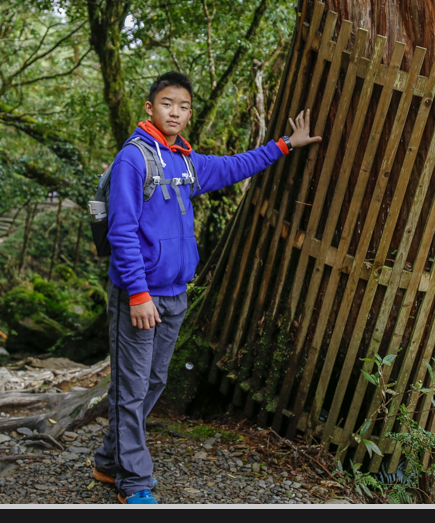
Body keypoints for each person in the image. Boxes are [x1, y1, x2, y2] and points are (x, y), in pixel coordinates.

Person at [93, 71, 322, 504]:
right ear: (150, 107)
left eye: (182, 106)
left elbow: (234, 166)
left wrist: (286, 145)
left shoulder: (183, 160)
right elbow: (122, 231)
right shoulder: (134, 159)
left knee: (156, 380)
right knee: (131, 386)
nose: (175, 112)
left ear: (189, 112)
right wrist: (139, 295)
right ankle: (135, 482)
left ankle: (110, 461)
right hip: (139, 295)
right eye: (166, 104)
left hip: (175, 292)